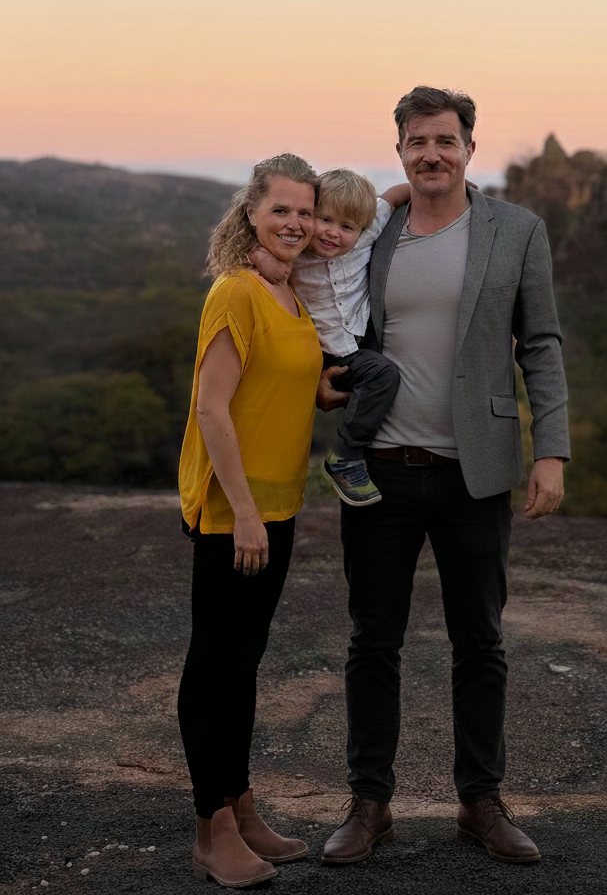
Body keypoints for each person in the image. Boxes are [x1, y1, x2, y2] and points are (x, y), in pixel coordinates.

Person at [318, 87, 571, 866]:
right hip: (382, 472)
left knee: (481, 642)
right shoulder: (377, 228)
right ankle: (370, 805)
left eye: (446, 141)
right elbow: (323, 304)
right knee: (372, 642)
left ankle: (480, 803)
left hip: (477, 471)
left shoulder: (517, 230)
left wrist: (551, 450)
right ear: (399, 150)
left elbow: (541, 343)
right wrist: (321, 379)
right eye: (417, 141)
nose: (432, 153)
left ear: (469, 147)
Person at [176, 153, 322, 888]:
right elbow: (212, 407)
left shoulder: (293, 297)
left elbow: (282, 381)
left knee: (245, 665)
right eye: (281, 210)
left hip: (280, 503)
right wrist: (241, 515)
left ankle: (243, 804)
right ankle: (213, 829)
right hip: (235, 513)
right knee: (216, 667)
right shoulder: (236, 291)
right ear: (250, 215)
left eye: (306, 211)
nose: (295, 223)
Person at [249, 168, 411, 506]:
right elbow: (246, 243)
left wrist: (450, 189)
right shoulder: (294, 253)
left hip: (359, 342)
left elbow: (393, 197)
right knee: (384, 374)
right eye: (325, 219)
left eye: (346, 227)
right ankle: (346, 455)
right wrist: (262, 256)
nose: (333, 233)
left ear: (361, 229)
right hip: (327, 354)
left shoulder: (365, 240)